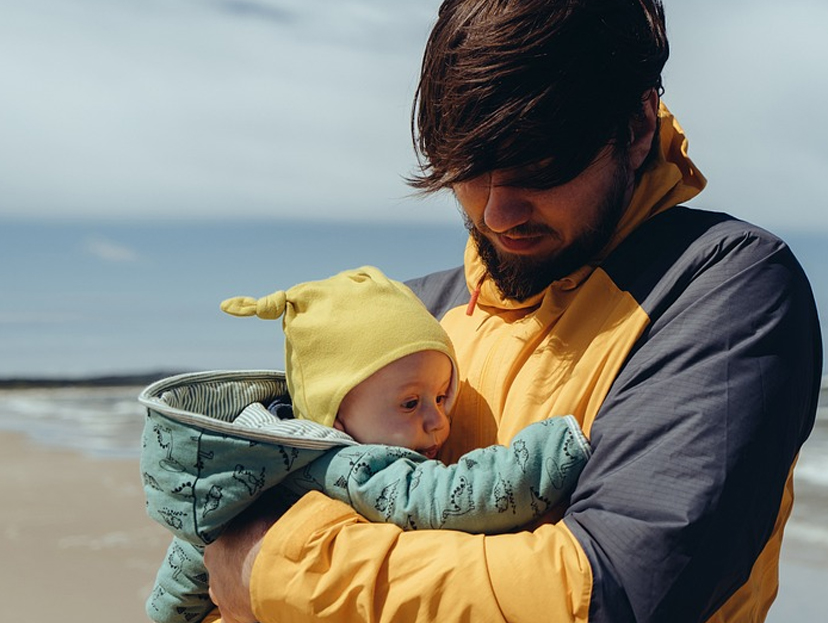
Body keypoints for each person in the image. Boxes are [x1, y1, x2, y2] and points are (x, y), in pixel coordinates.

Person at [204, 0, 822, 623]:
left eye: (539, 168)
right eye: (468, 173)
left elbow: (612, 592)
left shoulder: (722, 287)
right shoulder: (412, 317)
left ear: (639, 125)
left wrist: (273, 569)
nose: (497, 213)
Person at [140, 266, 589, 623]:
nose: (438, 422)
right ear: (335, 413)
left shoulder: (256, 460)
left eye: (441, 396)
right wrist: (554, 449)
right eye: (411, 403)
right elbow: (453, 497)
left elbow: (188, 561)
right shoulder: (354, 466)